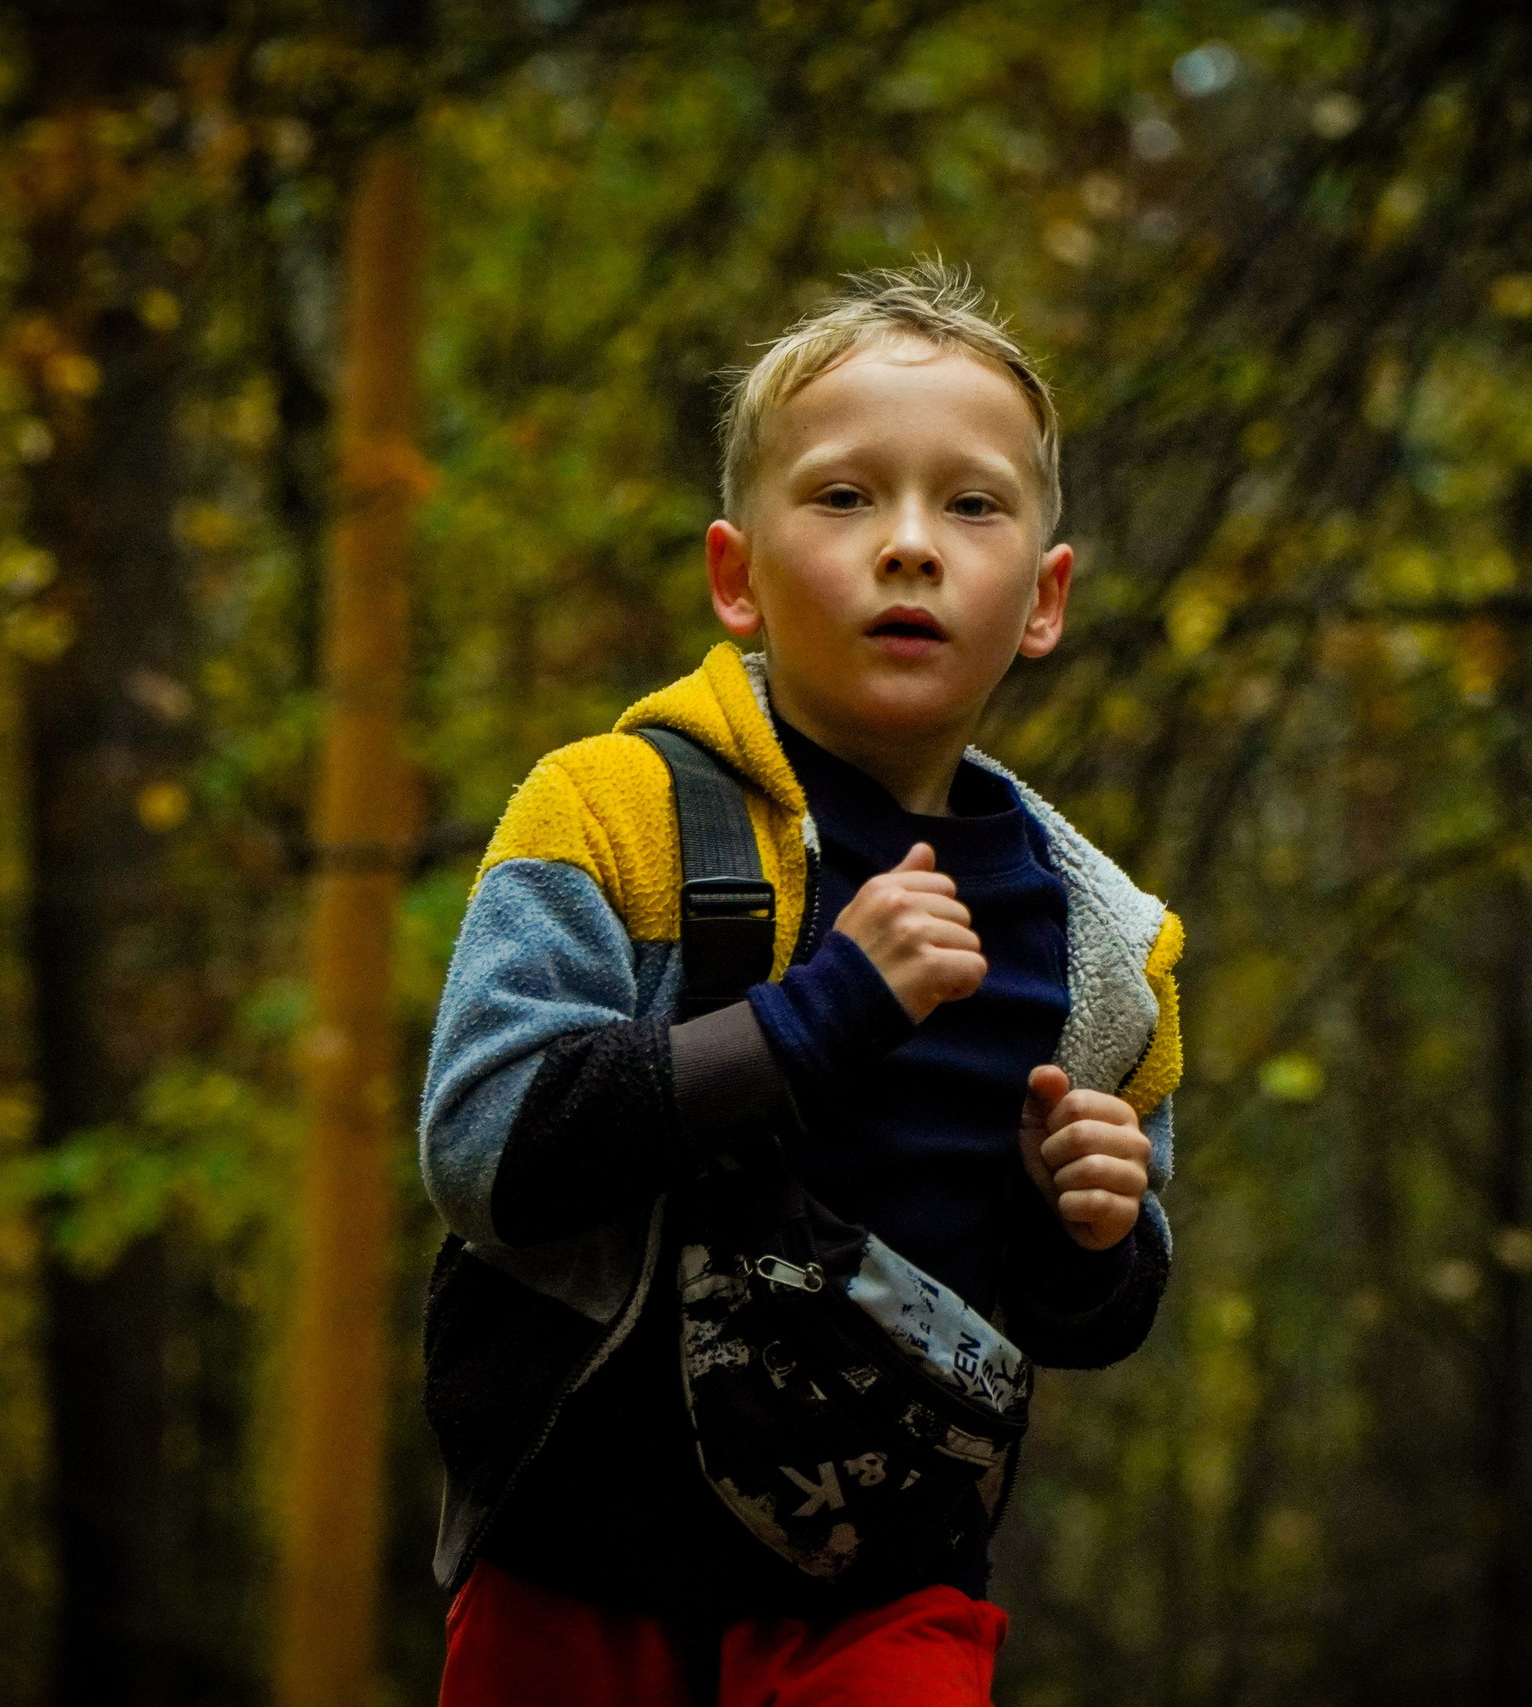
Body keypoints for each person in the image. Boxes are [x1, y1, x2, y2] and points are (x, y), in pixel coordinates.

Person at [418, 261, 1184, 1707]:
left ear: (1044, 597)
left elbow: (1091, 1319)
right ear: (736, 576)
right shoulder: (609, 816)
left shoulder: (1104, 945)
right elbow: (485, 1151)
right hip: (576, 1579)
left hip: (886, 1600)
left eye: (973, 504)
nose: (910, 545)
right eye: (843, 498)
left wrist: (1097, 1234)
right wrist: (823, 1010)